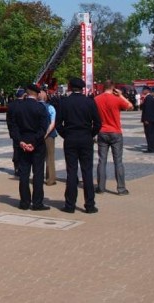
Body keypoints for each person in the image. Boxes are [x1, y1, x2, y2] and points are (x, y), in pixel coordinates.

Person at [57, 77, 102, 214]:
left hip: (70, 138)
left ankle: (70, 205)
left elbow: (58, 124)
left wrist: (66, 134)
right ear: (82, 88)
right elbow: (98, 123)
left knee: (71, 172)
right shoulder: (89, 102)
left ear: (70, 87)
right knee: (87, 172)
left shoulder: (64, 102)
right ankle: (89, 205)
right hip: (85, 138)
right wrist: (90, 134)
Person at [7, 83, 51, 211]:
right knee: (38, 174)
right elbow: (43, 128)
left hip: (22, 143)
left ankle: (24, 202)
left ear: (27, 93)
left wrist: (20, 141)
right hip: (37, 145)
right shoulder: (41, 108)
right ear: (37, 94)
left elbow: (13, 126)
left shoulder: (18, 107)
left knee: (24, 174)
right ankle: (37, 203)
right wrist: (34, 142)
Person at [93, 80, 132, 195]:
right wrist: (120, 95)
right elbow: (130, 106)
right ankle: (121, 188)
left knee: (102, 161)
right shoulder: (117, 98)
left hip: (102, 131)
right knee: (118, 161)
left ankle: (101, 187)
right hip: (115, 131)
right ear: (113, 88)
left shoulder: (96, 99)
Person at [38, 87, 58, 185]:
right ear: (46, 98)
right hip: (49, 135)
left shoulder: (35, 107)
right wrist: (46, 133)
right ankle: (50, 178)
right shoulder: (50, 107)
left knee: (38, 157)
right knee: (49, 157)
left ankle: (38, 177)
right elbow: (53, 123)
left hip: (36, 135)